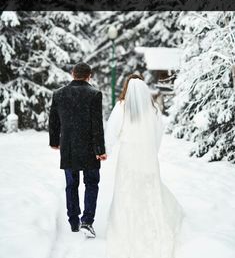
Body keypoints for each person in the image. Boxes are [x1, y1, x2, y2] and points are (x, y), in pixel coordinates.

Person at [105, 74, 182, 258]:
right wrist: (152, 150)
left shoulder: (122, 107)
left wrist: (106, 149)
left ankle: (127, 224)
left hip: (128, 156)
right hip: (147, 156)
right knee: (148, 189)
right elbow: (158, 134)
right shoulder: (153, 109)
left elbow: (112, 131)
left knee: (127, 189)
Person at [49, 62, 107, 237]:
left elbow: (53, 121)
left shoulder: (58, 94)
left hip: (68, 146)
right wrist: (100, 149)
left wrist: (54, 141)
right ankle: (87, 221)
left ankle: (73, 221)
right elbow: (97, 125)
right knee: (91, 184)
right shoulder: (94, 94)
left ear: (72, 73)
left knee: (71, 184)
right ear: (89, 76)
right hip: (89, 147)